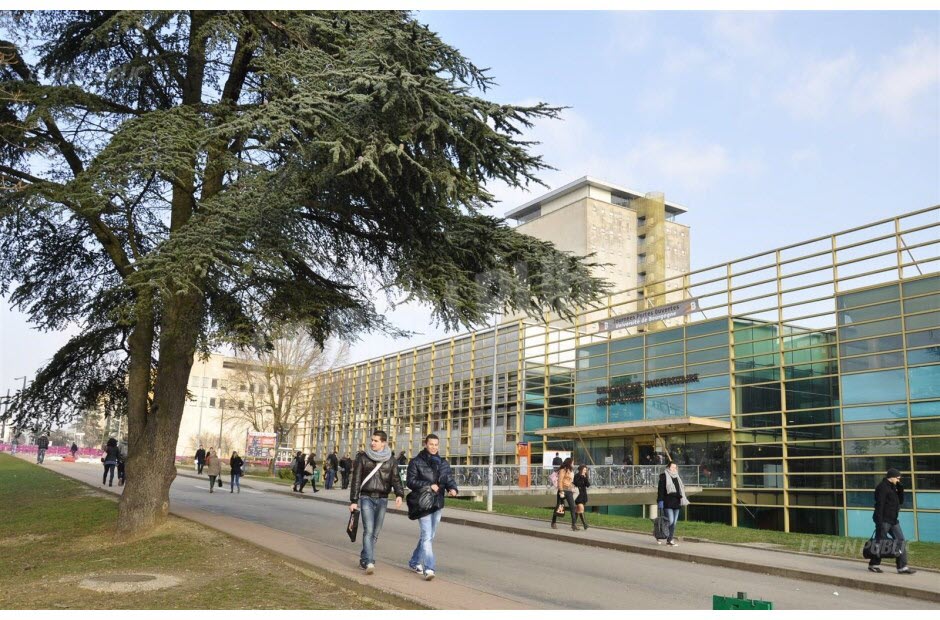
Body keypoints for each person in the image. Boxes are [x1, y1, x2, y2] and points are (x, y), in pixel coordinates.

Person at [349, 430, 404, 575]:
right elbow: (356, 480)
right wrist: (354, 500)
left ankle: (364, 557)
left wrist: (399, 494)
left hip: (383, 499)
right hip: (366, 497)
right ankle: (369, 561)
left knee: (375, 533)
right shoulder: (363, 458)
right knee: (369, 530)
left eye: (376, 441)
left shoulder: (391, 460)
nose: (372, 443)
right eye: (372, 440)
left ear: (384, 443)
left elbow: (396, 479)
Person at [406, 433, 458, 581]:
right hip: (423, 503)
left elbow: (448, 478)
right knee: (427, 536)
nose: (434, 447)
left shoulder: (443, 462)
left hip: (438, 503)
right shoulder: (416, 462)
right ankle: (429, 568)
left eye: (436, 444)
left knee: (429, 536)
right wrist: (429, 485)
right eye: (431, 444)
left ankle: (414, 561)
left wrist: (452, 488)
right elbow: (410, 481)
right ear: (425, 444)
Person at [869, 468, 916, 574]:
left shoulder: (893, 487)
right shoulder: (882, 487)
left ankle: (902, 567)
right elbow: (879, 505)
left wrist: (900, 489)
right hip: (884, 520)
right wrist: (879, 522)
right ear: (892, 477)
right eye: (898, 478)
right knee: (881, 542)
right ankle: (874, 564)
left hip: (893, 520)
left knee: (901, 540)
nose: (899, 480)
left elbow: (901, 501)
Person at [657, 462, 689, 546]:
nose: (674, 469)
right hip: (668, 502)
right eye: (673, 467)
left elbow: (680, 489)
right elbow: (660, 491)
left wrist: (681, 497)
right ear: (668, 467)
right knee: (670, 521)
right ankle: (660, 533)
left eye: (675, 467)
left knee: (674, 523)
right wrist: (660, 501)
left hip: (677, 502)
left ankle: (670, 540)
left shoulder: (677, 477)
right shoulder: (664, 476)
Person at [551, 457, 578, 531]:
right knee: (559, 507)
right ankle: (553, 522)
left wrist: (572, 487)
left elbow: (570, 482)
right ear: (569, 463)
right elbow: (560, 481)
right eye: (572, 462)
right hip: (562, 490)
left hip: (569, 491)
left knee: (573, 507)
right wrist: (561, 490)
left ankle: (574, 525)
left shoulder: (571, 471)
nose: (573, 464)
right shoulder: (563, 470)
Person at [573, 464, 591, 530]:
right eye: (584, 470)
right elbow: (576, 483)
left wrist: (585, 477)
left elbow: (588, 485)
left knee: (578, 510)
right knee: (581, 508)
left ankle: (574, 524)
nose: (585, 471)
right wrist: (581, 477)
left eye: (586, 470)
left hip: (583, 495)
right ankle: (584, 524)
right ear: (581, 470)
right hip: (578, 494)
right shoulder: (576, 476)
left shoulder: (585, 476)